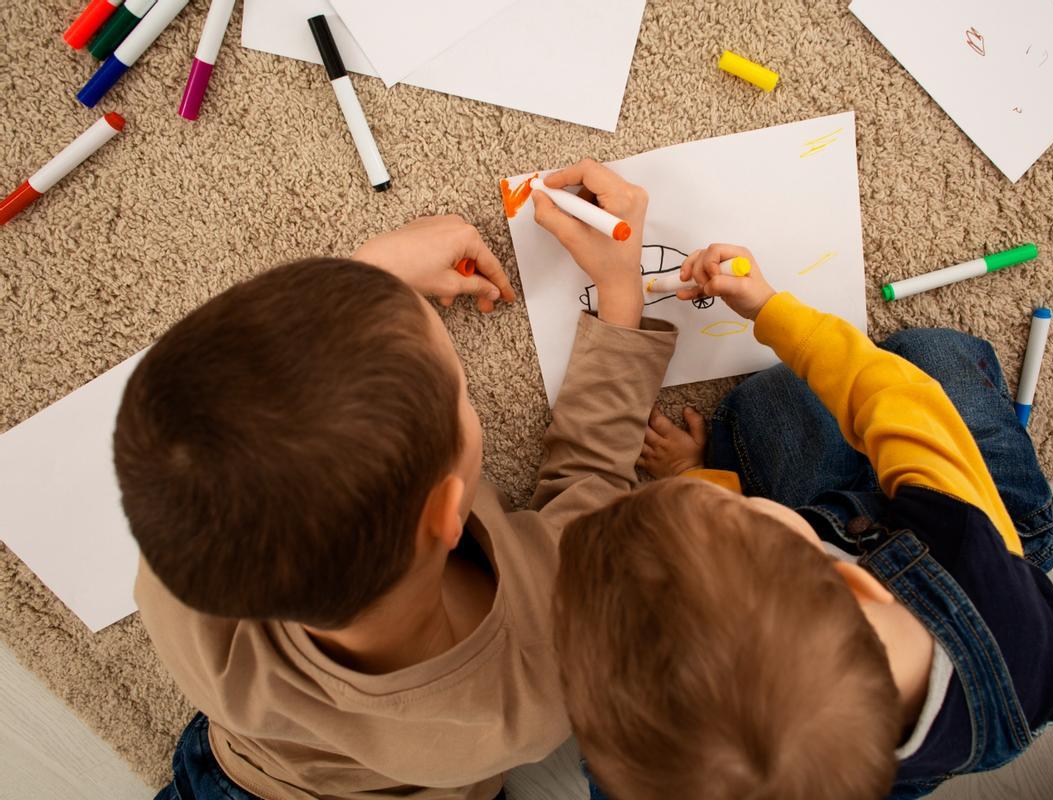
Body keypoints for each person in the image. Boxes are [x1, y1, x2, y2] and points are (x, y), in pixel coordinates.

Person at [117, 161, 677, 800]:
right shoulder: (536, 680)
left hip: (243, 775)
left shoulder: (181, 588)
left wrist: (366, 282)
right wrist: (621, 296)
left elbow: (236, 415)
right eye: (462, 393)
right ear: (448, 511)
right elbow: (593, 479)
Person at [554, 244, 1053, 800]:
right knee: (924, 358)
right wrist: (771, 310)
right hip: (995, 537)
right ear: (850, 577)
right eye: (744, 509)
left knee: (776, 404)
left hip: (874, 566)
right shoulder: (971, 549)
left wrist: (692, 475)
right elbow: (898, 401)